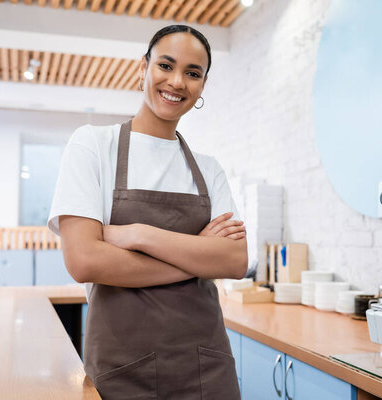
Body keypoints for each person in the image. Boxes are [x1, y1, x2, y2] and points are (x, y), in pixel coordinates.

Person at [48, 24, 247, 399]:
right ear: (144, 67)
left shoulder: (208, 168)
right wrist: (197, 255)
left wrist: (141, 235)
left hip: (207, 366)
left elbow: (234, 260)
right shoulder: (93, 145)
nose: (177, 82)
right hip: (122, 369)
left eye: (193, 73)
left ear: (202, 86)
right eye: (166, 66)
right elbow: (84, 260)